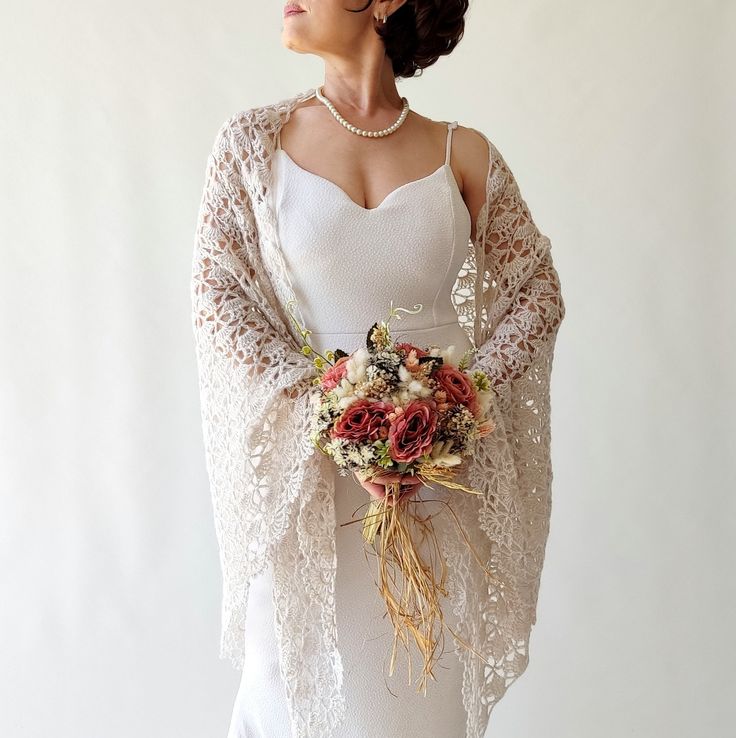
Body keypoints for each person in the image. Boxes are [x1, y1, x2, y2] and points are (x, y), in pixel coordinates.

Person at [191, 2, 565, 737]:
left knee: (417, 703)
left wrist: (461, 404)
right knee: (293, 699)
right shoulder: (252, 146)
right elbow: (219, 300)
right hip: (310, 487)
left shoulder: (463, 153)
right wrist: (332, 412)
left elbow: (535, 295)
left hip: (439, 484)